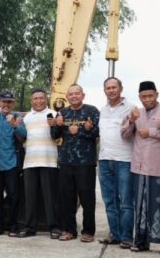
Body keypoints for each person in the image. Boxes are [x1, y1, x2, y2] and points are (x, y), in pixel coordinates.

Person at [121, 80, 160, 255]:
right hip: (139, 167)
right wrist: (131, 121)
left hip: (158, 167)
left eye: (150, 95)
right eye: (144, 96)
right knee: (139, 205)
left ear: (156, 95)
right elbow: (124, 134)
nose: (147, 99)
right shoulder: (136, 113)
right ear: (139, 97)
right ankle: (141, 241)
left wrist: (154, 131)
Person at [50, 84, 100, 243]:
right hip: (65, 161)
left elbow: (98, 132)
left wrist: (85, 129)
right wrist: (57, 125)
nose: (74, 97)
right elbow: (54, 135)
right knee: (66, 198)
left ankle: (88, 231)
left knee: (87, 198)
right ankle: (69, 230)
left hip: (85, 162)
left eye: (77, 94)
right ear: (67, 96)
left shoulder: (92, 111)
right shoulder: (63, 112)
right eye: (70, 94)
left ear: (82, 95)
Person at [97, 77, 135, 248]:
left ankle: (127, 237)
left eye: (114, 87)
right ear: (104, 90)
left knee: (126, 200)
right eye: (108, 88)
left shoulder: (131, 108)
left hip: (124, 161)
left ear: (121, 88)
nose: (111, 90)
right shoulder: (102, 110)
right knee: (109, 200)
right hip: (104, 160)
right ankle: (115, 234)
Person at [18, 89, 60, 239]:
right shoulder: (26, 117)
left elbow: (58, 135)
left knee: (50, 197)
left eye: (41, 98)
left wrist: (54, 125)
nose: (38, 101)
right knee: (30, 197)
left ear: (46, 99)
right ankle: (30, 227)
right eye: (35, 99)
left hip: (49, 161)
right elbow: (21, 138)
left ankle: (54, 227)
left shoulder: (54, 115)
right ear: (31, 101)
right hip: (30, 162)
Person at [0, 90, 26, 237]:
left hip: (11, 163)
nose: (6, 104)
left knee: (14, 196)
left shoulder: (18, 117)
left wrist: (14, 125)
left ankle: (13, 225)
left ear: (13, 103)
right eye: (4, 101)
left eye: (9, 102)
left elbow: (23, 137)